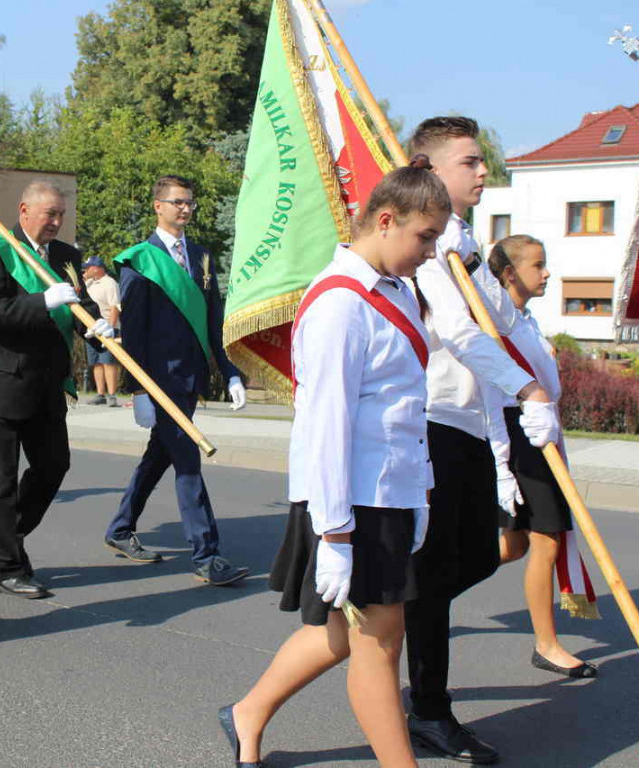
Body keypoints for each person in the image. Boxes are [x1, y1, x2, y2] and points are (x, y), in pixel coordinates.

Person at [223, 162, 449, 768]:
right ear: (385, 219)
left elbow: (403, 404)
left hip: (391, 494)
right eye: (424, 237)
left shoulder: (395, 289)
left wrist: (419, 496)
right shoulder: (340, 305)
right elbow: (324, 425)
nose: (431, 252)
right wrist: (335, 532)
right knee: (380, 642)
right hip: (354, 501)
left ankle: (247, 713)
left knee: (345, 635)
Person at [404, 117, 562, 764]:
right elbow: (463, 335)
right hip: (435, 418)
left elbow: (498, 319)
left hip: (475, 424)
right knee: (438, 572)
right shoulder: (430, 238)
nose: (482, 173)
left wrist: (539, 380)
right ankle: (429, 709)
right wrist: (528, 390)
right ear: (429, 166)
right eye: (469, 161)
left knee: (468, 561)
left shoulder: (466, 239)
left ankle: (395, 620)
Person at [0, 181, 113, 599]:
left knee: (53, 466)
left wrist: (98, 330)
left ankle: (5, 537)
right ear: (24, 209)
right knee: (0, 480)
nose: (55, 222)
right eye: (49, 214)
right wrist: (41, 301)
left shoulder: (66, 255)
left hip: (47, 383)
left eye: (61, 215)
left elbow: (80, 305)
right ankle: (6, 566)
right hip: (1, 383)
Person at [102, 175, 249, 586]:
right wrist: (139, 389)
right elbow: (134, 331)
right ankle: (207, 554)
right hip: (160, 381)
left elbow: (212, 320)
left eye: (189, 202)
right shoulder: (140, 260)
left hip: (191, 376)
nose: (184, 209)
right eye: (176, 202)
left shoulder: (201, 257)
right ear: (158, 206)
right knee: (187, 460)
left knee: (159, 456)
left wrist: (231, 372)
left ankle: (119, 528)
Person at [485, 235, 598, 678]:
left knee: (513, 546)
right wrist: (501, 468)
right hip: (520, 438)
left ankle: (429, 583)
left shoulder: (525, 321)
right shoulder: (497, 326)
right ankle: (547, 644)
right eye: (539, 264)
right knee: (546, 538)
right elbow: (493, 397)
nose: (547, 272)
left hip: (540, 432)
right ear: (510, 273)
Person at [82, 255, 121, 407]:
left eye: (88, 267)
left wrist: (110, 329)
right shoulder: (89, 283)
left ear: (97, 268)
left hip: (107, 328)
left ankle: (112, 395)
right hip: (91, 329)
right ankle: (100, 394)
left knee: (108, 362)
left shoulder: (110, 283)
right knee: (96, 362)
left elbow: (114, 307)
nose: (85, 270)